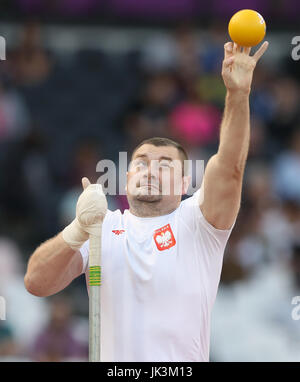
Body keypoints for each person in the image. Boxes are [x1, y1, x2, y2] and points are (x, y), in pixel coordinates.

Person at [24, 41, 269, 361]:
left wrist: (237, 95)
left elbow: (231, 167)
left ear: (185, 183)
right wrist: (78, 229)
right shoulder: (101, 227)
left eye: (164, 164)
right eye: (140, 162)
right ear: (126, 178)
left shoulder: (198, 222)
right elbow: (36, 283)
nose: (150, 169)